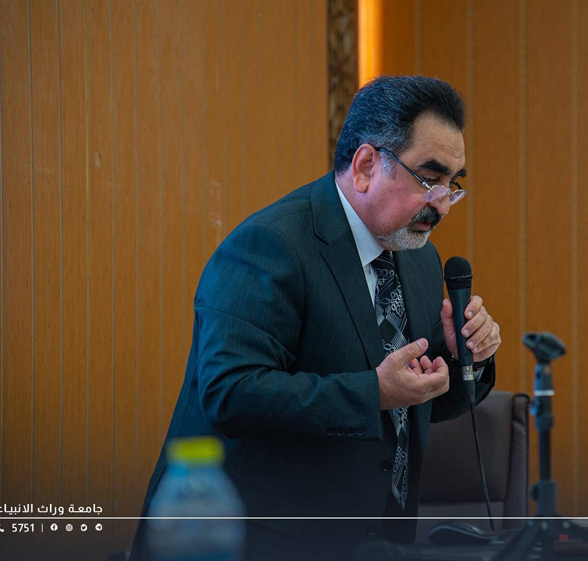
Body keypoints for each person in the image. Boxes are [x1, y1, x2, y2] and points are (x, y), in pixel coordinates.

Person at [131, 75, 501, 560]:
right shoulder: (272, 245)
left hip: (376, 543)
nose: (443, 203)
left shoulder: (419, 258)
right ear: (366, 165)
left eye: (453, 185)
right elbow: (230, 392)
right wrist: (373, 393)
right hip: (250, 542)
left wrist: (466, 356)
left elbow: (422, 401)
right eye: (430, 179)